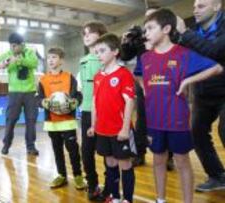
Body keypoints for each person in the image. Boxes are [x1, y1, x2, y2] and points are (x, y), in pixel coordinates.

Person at [135, 9, 223, 203]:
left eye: (150, 28)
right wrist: (144, 87)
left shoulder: (183, 53)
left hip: (177, 120)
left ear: (166, 28)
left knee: (182, 161)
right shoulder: (145, 58)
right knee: (158, 160)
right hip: (154, 120)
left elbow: (216, 67)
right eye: (145, 29)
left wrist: (187, 81)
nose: (145, 33)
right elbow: (138, 73)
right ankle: (160, 199)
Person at [177, 0, 225, 192]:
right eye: (195, 6)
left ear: (217, 6)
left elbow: (215, 52)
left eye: (201, 6)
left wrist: (185, 33)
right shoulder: (193, 33)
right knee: (196, 132)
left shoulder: (192, 33)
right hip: (204, 92)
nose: (195, 10)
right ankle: (217, 176)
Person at [121, 6, 175, 170]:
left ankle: (168, 157)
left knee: (166, 120)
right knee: (142, 121)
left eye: (152, 16)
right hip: (143, 82)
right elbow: (125, 56)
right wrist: (125, 42)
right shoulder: (140, 39)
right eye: (147, 18)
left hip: (165, 83)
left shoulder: (169, 37)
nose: (148, 20)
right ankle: (139, 154)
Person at [88, 33, 136, 203]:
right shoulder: (98, 77)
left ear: (115, 51)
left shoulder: (124, 74)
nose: (98, 54)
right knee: (110, 163)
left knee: (125, 164)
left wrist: (125, 128)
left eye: (102, 50)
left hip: (119, 130)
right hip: (102, 130)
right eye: (96, 51)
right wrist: (93, 125)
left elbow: (129, 102)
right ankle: (114, 196)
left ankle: (127, 199)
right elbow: (94, 103)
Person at [36, 47, 86, 190]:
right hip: (52, 123)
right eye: (49, 57)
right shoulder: (43, 80)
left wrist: (74, 102)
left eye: (54, 57)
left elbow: (78, 95)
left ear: (61, 60)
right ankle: (62, 175)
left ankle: (78, 176)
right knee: (57, 150)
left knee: (73, 150)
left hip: (68, 121)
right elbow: (38, 99)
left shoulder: (69, 77)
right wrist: (44, 102)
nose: (50, 60)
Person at [0, 33, 39, 156]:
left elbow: (34, 64)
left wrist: (20, 60)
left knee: (31, 120)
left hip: (30, 92)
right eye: (11, 46)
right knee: (11, 120)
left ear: (22, 45)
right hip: (14, 92)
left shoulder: (29, 52)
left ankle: (31, 146)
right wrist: (3, 64)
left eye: (15, 46)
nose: (12, 48)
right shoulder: (8, 54)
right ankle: (6, 144)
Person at [77, 21, 107, 200]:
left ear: (100, 34)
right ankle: (93, 184)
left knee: (108, 152)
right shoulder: (83, 61)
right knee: (86, 151)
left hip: (105, 111)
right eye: (84, 34)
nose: (86, 36)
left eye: (90, 33)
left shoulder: (107, 58)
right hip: (88, 111)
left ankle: (110, 185)